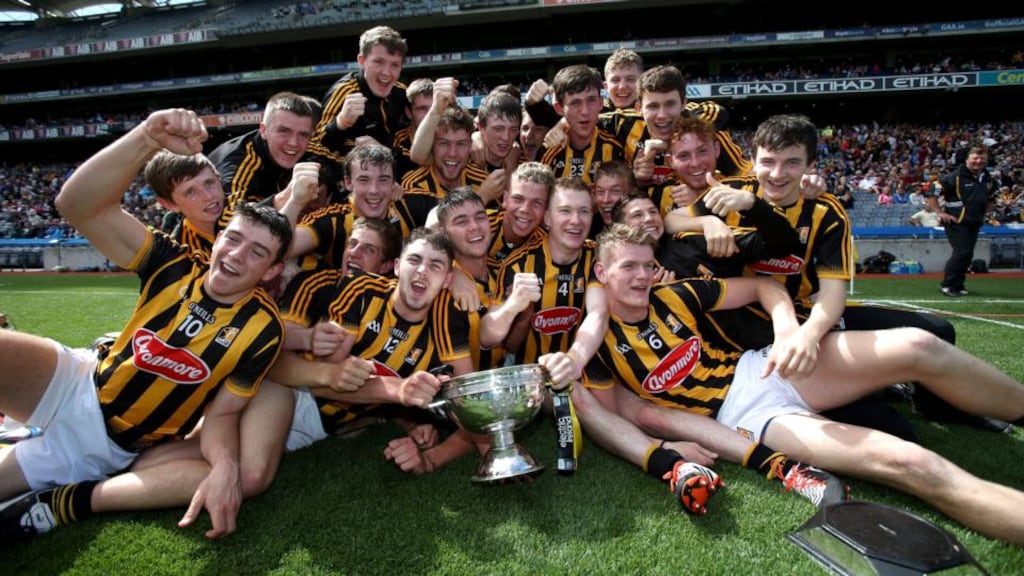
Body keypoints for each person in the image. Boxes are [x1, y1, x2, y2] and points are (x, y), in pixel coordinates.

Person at [586, 223, 1024, 544]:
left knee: (918, 344)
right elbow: (619, 412)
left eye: (647, 264)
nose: (642, 276)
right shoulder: (595, 341)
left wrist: (785, 332)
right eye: (629, 266)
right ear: (603, 275)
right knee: (909, 462)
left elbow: (765, 288)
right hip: (747, 417)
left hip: (762, 366)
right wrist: (668, 451)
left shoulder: (676, 294)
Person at [0, 109, 293, 542]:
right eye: (233, 238)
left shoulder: (264, 329)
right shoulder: (170, 262)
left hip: (106, 444)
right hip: (77, 379)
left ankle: (67, 498)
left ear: (271, 270)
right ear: (221, 233)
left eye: (257, 253)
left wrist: (226, 464)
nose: (234, 255)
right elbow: (75, 204)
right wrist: (146, 138)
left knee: (238, 478)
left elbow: (224, 412)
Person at [272, 227, 473, 454]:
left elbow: (418, 398)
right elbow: (326, 379)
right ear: (397, 267)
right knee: (252, 474)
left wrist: (413, 423)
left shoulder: (439, 334)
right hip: (293, 391)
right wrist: (398, 390)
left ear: (448, 280)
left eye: (435, 266)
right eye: (414, 260)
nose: (422, 271)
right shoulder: (362, 288)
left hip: (323, 428)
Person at [209, 92, 321, 229]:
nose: (293, 143)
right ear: (263, 130)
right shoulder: (241, 164)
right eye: (284, 131)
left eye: (303, 135)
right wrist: (282, 199)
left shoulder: (310, 147)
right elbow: (226, 223)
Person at [307, 25, 409, 168]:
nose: (387, 72)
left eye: (395, 65)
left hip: (393, 172)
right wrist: (340, 123)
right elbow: (313, 147)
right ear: (362, 61)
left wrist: (383, 153)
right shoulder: (345, 92)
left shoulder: (402, 93)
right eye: (379, 62)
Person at [533, 65, 624, 185]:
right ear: (559, 108)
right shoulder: (548, 151)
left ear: (601, 102)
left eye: (591, 100)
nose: (585, 111)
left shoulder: (618, 143)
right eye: (575, 103)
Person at [927, 145, 999, 297]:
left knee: (967, 254)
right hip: (956, 221)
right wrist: (940, 212)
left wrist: (985, 213)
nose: (978, 161)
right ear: (967, 159)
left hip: (974, 221)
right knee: (962, 252)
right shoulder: (954, 177)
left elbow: (992, 199)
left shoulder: (988, 180)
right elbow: (932, 192)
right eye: (975, 158)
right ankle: (947, 285)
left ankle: (958, 285)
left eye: (982, 158)